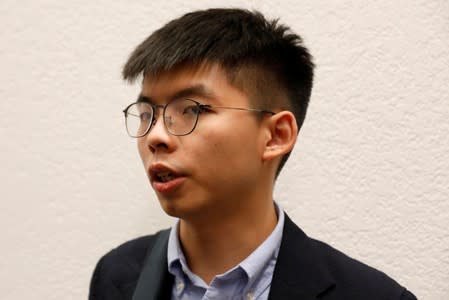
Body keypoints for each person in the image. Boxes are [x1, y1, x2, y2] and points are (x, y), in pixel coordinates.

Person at [89, 8, 417, 300]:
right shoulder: (117, 275)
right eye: (147, 113)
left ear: (276, 135)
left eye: (190, 110)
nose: (155, 136)